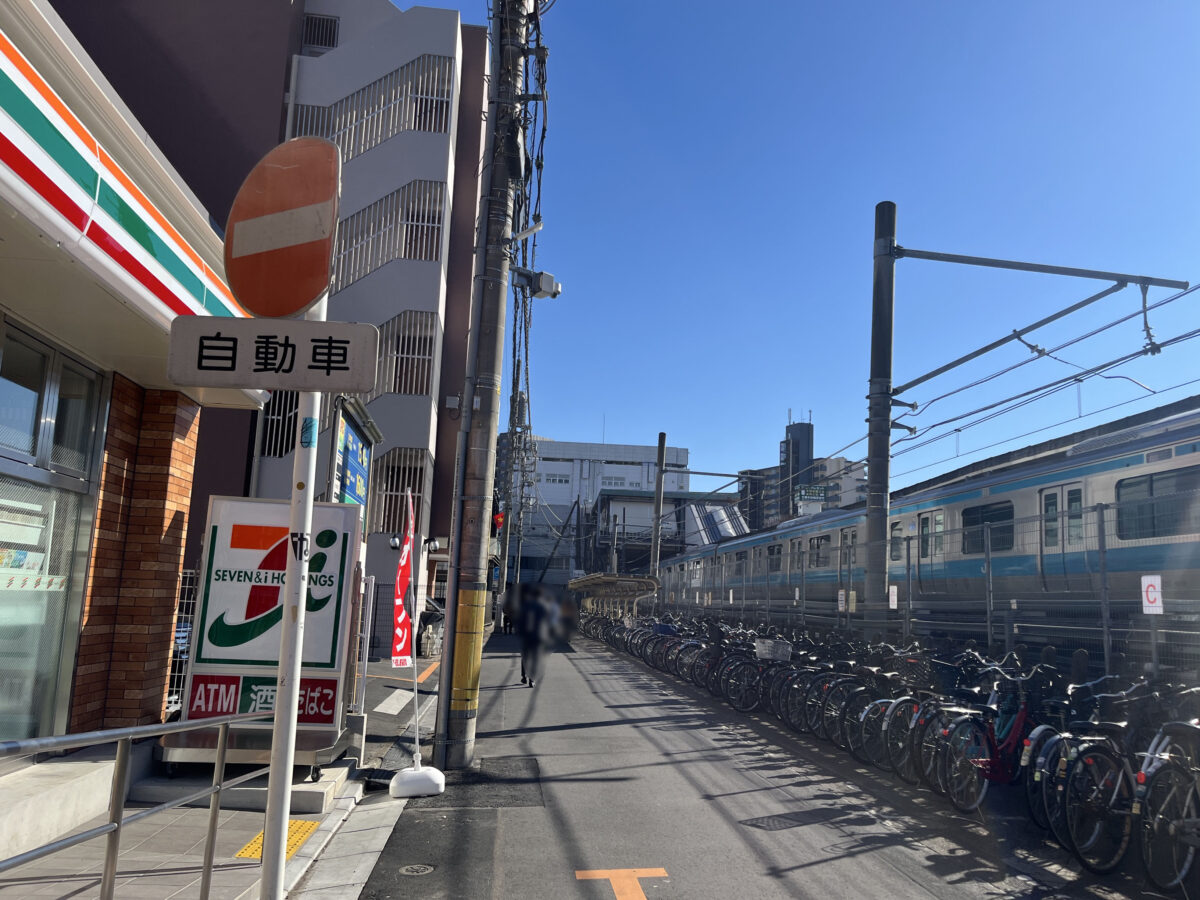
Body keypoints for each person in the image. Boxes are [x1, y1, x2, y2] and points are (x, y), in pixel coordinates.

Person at [516, 585, 559, 687]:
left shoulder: (525, 606)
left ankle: (523, 676)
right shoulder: (542, 607)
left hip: (526, 636)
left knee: (525, 657)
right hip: (537, 636)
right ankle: (532, 679)